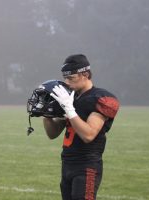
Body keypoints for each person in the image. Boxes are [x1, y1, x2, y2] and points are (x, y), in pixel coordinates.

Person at [43, 54, 120, 200]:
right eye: (65, 78)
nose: (67, 82)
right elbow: (52, 134)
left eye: (71, 78)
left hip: (87, 166)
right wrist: (46, 114)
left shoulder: (100, 97)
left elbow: (89, 135)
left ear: (85, 74)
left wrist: (69, 109)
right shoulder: (70, 97)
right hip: (67, 164)